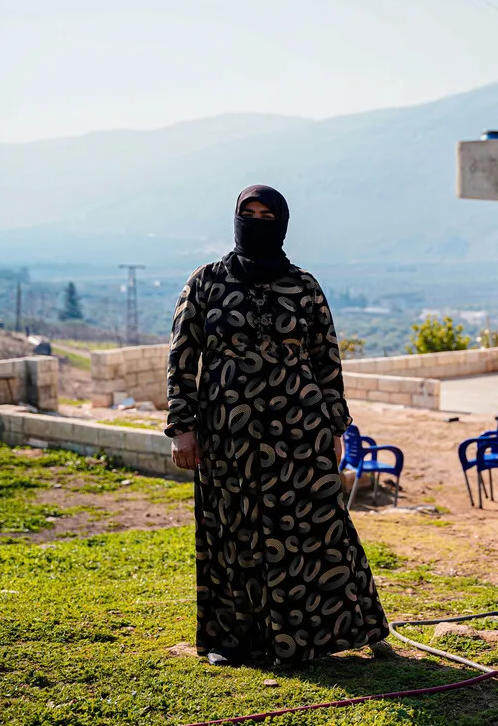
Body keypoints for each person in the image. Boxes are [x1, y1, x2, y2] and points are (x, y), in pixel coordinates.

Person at [165, 185, 390, 667]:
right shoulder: (206, 283)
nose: (256, 221)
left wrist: (335, 428)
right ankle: (233, 641)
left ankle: (338, 631)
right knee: (232, 531)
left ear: (282, 223)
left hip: (299, 427)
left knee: (319, 527)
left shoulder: (304, 286)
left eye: (267, 215)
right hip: (228, 430)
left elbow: (327, 361)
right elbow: (182, 359)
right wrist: (182, 427)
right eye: (249, 213)